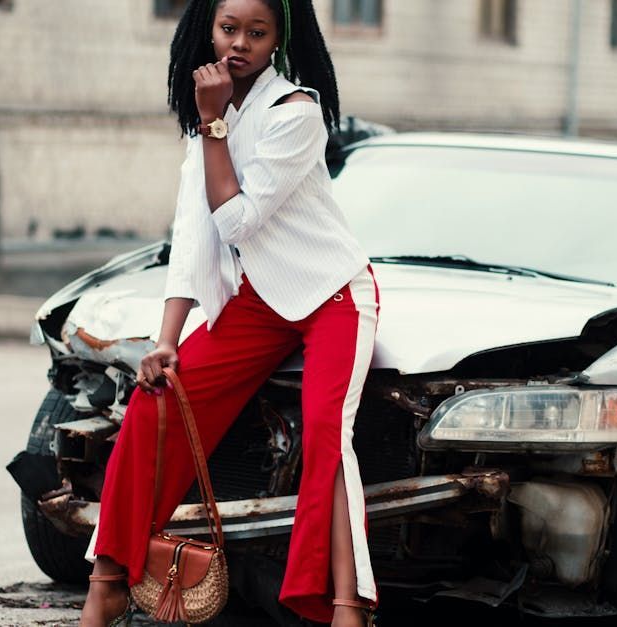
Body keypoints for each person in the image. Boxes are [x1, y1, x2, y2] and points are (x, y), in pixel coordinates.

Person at [78, 0, 379, 625]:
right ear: (208, 29)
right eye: (229, 28)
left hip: (332, 293)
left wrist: (213, 125)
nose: (240, 43)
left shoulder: (296, 112)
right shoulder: (206, 117)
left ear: (279, 40)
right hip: (259, 301)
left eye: (257, 32)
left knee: (328, 437)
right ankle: (108, 578)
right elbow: (194, 233)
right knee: (155, 403)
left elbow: (237, 219)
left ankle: (347, 607)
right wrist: (167, 338)